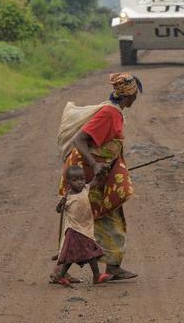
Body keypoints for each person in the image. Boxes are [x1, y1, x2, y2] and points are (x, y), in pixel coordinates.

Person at [61, 73, 142, 281]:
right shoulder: (109, 113)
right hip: (88, 179)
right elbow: (80, 140)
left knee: (107, 219)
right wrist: (96, 165)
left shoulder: (114, 112)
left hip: (99, 177)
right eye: (136, 95)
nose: (136, 99)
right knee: (87, 223)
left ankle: (112, 267)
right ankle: (63, 271)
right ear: (130, 95)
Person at [51, 165, 112, 287]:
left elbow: (95, 181)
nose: (79, 182)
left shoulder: (85, 188)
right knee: (89, 253)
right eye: (75, 180)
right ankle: (96, 275)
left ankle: (61, 275)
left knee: (71, 256)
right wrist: (61, 204)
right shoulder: (67, 197)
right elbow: (58, 210)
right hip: (74, 229)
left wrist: (102, 172)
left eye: (82, 179)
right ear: (68, 182)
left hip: (85, 229)